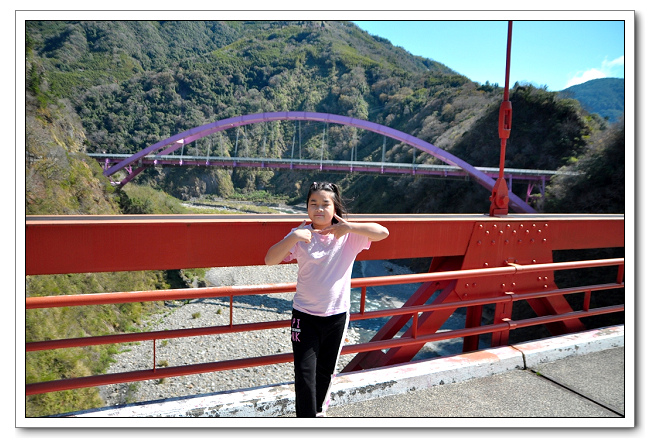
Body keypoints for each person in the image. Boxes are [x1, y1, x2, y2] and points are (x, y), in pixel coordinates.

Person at [265, 181, 389, 417]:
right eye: (313, 204)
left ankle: (318, 413)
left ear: (335, 207)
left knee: (325, 372)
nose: (319, 209)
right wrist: (292, 237)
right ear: (307, 207)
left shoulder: (348, 236)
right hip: (304, 315)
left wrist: (350, 227)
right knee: (304, 373)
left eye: (325, 204)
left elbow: (383, 232)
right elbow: (270, 259)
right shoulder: (301, 234)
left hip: (336, 316)